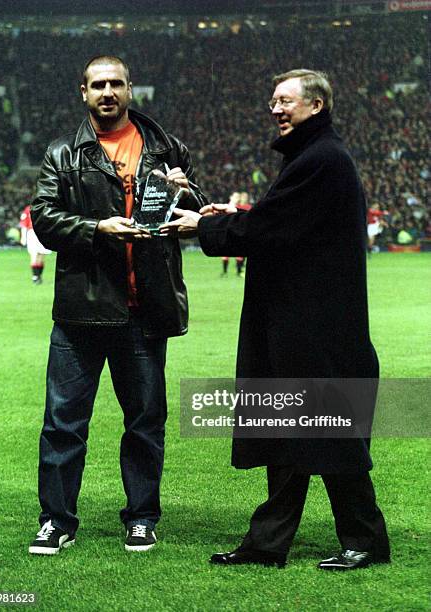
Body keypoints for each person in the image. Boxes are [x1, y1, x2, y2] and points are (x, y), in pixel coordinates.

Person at [161, 69, 390, 570]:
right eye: (272, 101)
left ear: (317, 106)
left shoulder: (321, 159)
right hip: (303, 325)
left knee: (332, 434)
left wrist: (207, 223)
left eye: (286, 101)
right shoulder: (313, 158)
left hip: (317, 329)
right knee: (291, 435)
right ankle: (268, 545)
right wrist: (228, 211)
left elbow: (273, 227)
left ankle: (366, 541)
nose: (275, 109)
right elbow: (280, 220)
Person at [28, 55, 207, 555]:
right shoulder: (63, 152)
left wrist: (185, 191)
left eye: (117, 84)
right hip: (81, 312)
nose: (108, 92)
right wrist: (94, 228)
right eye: (98, 85)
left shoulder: (167, 148)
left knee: (146, 421)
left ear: (132, 90)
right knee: (63, 423)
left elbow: (197, 215)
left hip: (143, 310)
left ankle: (142, 517)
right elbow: (43, 217)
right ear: (82, 92)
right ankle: (56, 520)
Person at [19, 204, 51, 284]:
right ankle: (36, 277)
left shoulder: (30, 208)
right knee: (36, 255)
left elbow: (24, 224)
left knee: (40, 255)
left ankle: (37, 277)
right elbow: (24, 223)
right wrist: (23, 237)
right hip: (35, 232)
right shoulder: (45, 207)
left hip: (38, 232)